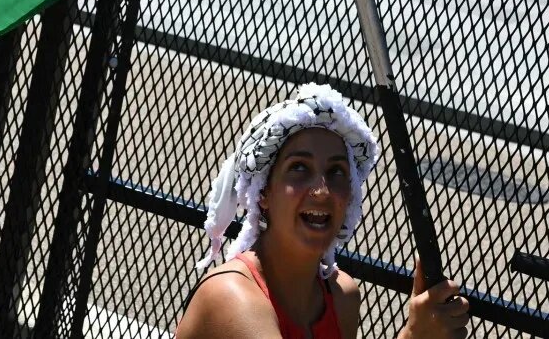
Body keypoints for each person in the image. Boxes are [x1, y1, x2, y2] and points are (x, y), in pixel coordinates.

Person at [175, 83, 471, 339]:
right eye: (299, 168)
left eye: (337, 172)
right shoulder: (230, 296)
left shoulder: (342, 298)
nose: (322, 191)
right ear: (263, 192)